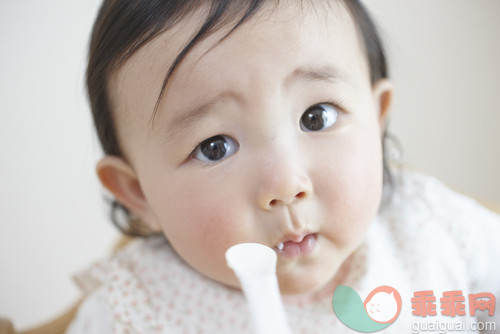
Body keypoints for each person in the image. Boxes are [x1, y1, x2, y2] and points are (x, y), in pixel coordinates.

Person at [66, 0, 500, 333]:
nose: (286, 184)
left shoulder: (437, 231)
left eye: (318, 117)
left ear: (376, 116)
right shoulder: (129, 313)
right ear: (138, 192)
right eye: (215, 147)